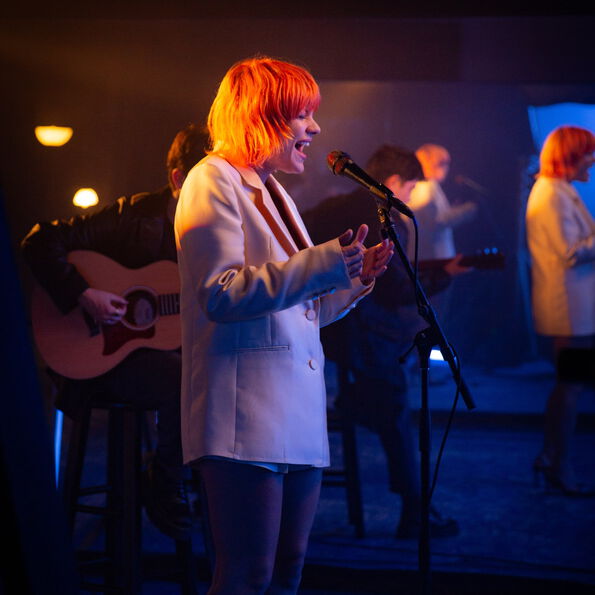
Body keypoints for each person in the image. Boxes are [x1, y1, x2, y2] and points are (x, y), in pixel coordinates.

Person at [174, 56, 393, 593]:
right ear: (260, 116)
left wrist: (350, 281)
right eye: (302, 116)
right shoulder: (212, 180)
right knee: (247, 574)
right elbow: (220, 294)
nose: (315, 129)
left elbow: (301, 310)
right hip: (244, 415)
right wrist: (322, 263)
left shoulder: (273, 191)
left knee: (289, 568)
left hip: (293, 410)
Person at [21, 122, 209, 540]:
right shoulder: (134, 216)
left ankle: (211, 493)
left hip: (156, 360)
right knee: (189, 376)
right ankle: (164, 480)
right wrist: (84, 293)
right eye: (206, 180)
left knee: (214, 368)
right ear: (179, 179)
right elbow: (38, 241)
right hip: (96, 357)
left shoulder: (215, 233)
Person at [302, 145, 468, 538]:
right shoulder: (385, 217)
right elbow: (393, 292)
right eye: (409, 187)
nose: (410, 197)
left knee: (387, 404)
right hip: (365, 336)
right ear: (392, 183)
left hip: (325, 330)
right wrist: (444, 276)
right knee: (395, 409)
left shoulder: (329, 207)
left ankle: (355, 405)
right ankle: (415, 510)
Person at [525, 125, 595, 496]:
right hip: (569, 309)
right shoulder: (550, 193)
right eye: (588, 152)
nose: (593, 160)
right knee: (570, 388)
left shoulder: (560, 191)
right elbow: (571, 252)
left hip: (575, 309)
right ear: (570, 155)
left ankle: (552, 456)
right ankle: (559, 465)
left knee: (569, 386)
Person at [408, 143, 478, 261]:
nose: (446, 169)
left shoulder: (423, 186)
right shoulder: (426, 187)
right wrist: (468, 209)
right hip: (432, 259)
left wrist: (453, 210)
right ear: (431, 163)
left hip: (430, 258)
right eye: (442, 164)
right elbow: (437, 221)